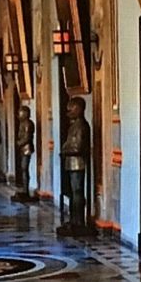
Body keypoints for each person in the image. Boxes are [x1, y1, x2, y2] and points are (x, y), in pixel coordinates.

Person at [58, 96, 90, 236]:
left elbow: (78, 147)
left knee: (77, 192)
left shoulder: (82, 126)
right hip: (71, 162)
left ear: (78, 109)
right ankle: (74, 220)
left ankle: (79, 221)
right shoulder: (73, 126)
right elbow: (67, 143)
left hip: (78, 163)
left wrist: (65, 151)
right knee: (73, 193)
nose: (68, 112)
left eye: (71, 109)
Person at [14, 105, 36, 201]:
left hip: (26, 148)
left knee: (24, 169)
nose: (19, 115)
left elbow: (27, 137)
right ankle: (24, 189)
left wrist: (19, 143)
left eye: (20, 112)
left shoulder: (28, 124)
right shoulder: (23, 123)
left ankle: (26, 190)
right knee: (23, 169)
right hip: (23, 148)